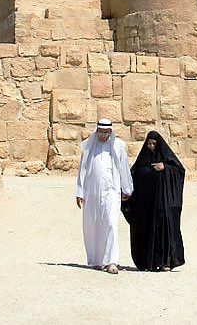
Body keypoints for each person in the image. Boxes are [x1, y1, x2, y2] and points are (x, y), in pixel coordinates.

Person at [75, 118, 133, 275]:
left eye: (105, 132)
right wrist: (80, 191)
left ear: (110, 132)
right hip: (92, 192)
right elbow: (83, 169)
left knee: (110, 223)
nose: (102, 135)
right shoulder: (89, 146)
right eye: (100, 132)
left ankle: (112, 261)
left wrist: (126, 188)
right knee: (94, 225)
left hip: (111, 192)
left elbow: (123, 168)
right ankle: (98, 260)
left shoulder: (118, 146)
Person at [121, 131, 185, 271]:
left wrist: (165, 168)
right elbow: (132, 177)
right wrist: (126, 193)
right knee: (146, 232)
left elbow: (180, 171)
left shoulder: (166, 159)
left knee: (164, 233)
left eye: (154, 144)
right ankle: (148, 262)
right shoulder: (142, 160)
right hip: (146, 206)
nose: (151, 146)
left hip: (163, 205)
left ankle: (165, 262)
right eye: (149, 143)